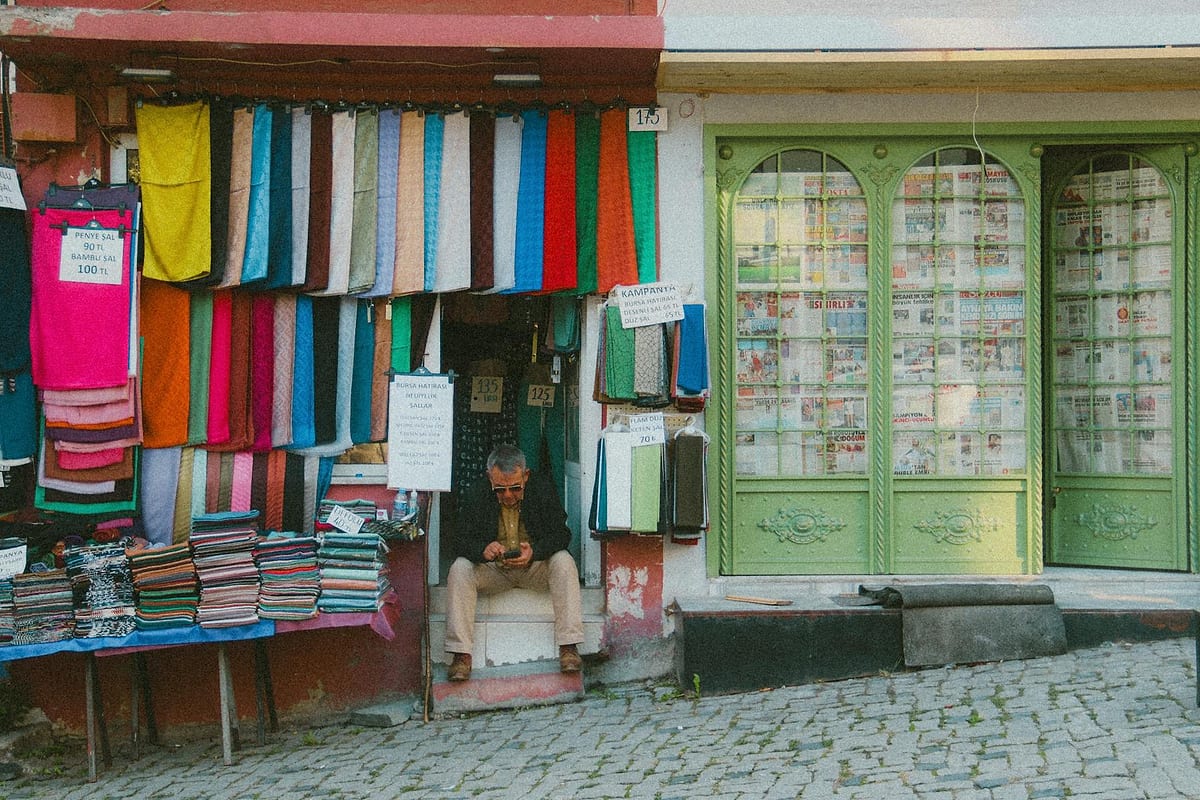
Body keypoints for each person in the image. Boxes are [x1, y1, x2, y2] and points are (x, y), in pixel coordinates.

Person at [444, 444, 583, 682]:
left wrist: (535, 552)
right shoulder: (476, 492)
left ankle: (569, 646)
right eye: (500, 489)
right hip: (495, 570)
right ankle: (461, 654)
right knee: (459, 569)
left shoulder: (541, 488)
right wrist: (482, 549)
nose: (508, 495)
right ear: (489, 478)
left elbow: (562, 535)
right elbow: (457, 539)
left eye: (515, 488)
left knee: (564, 561)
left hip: (533, 567)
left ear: (526, 476)